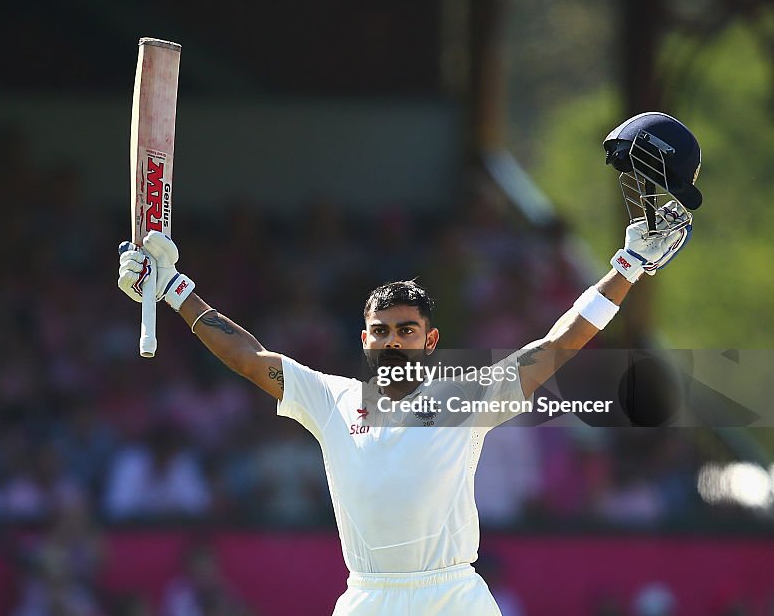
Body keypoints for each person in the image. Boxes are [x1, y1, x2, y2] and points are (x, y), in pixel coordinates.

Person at [115, 114, 699, 616]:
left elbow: (554, 346)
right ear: (365, 340)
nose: (393, 341)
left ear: (430, 340)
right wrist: (172, 288)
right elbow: (248, 357)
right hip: (369, 598)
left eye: (406, 331)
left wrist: (624, 268)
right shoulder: (332, 399)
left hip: (452, 596)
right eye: (382, 331)